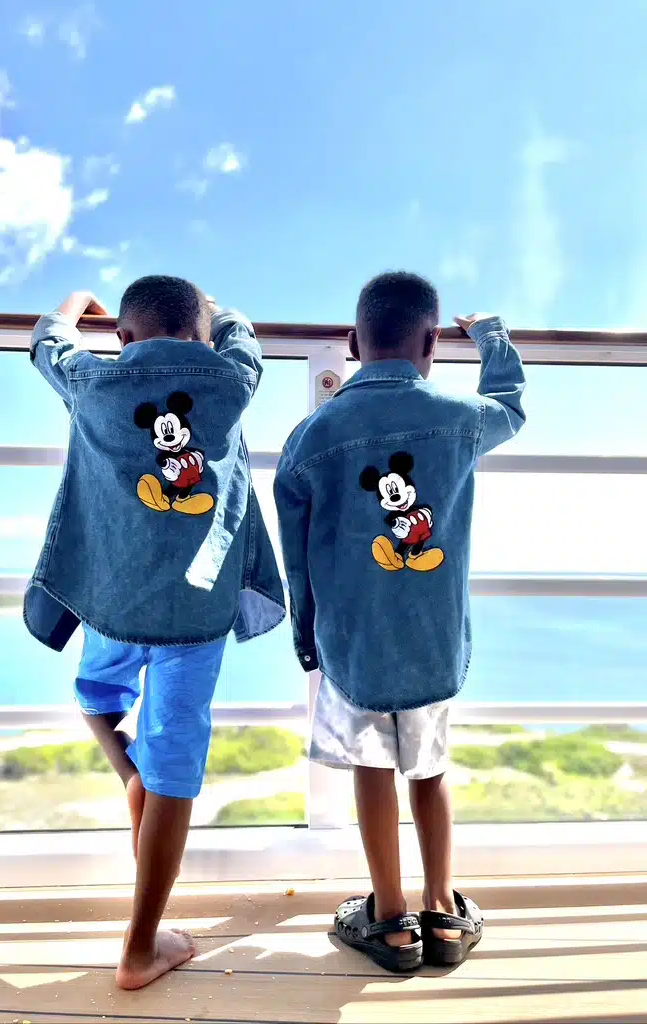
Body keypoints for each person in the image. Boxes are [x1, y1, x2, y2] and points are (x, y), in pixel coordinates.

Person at [25, 277, 285, 989]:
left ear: (123, 338)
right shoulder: (231, 378)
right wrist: (218, 311)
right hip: (196, 611)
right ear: (203, 336)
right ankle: (141, 945)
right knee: (172, 763)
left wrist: (75, 302)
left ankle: (131, 773)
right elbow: (244, 336)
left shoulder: (92, 380)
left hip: (113, 597)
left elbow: (47, 342)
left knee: (96, 696)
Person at [274, 271, 526, 972]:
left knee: (370, 768)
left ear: (354, 345)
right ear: (430, 343)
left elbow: (296, 549)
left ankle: (390, 921)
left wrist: (306, 633)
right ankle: (442, 912)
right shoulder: (459, 417)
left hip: (353, 642)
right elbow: (509, 406)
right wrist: (493, 338)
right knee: (429, 770)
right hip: (432, 637)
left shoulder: (313, 434)